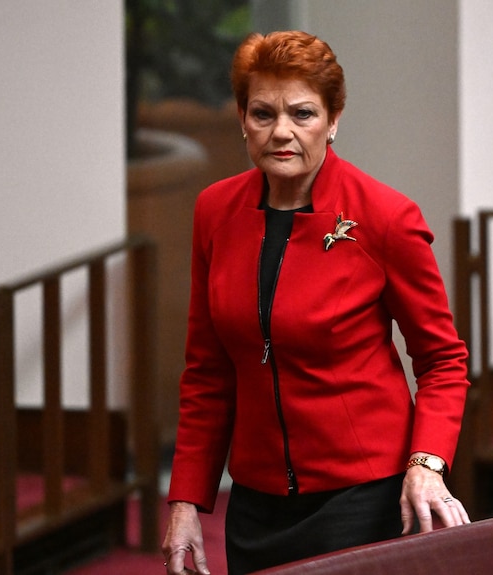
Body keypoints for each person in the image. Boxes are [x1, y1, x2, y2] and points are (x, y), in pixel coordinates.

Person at [162, 30, 471, 575]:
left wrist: (427, 466)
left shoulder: (385, 217)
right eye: (263, 113)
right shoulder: (215, 212)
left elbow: (443, 361)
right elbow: (208, 372)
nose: (281, 131)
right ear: (242, 118)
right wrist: (186, 502)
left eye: (302, 114)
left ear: (333, 120)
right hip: (254, 503)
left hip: (362, 497)